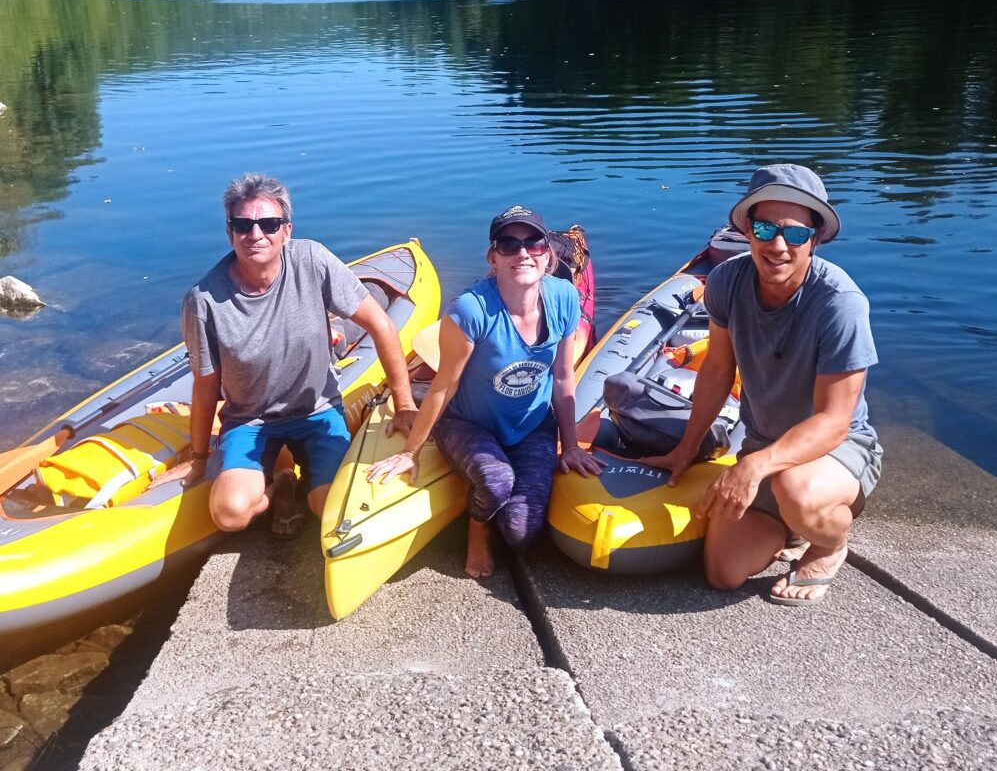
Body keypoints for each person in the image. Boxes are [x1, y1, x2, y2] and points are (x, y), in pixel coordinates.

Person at [643, 164, 881, 605]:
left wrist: (753, 467)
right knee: (723, 572)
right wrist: (687, 448)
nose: (777, 245)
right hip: (764, 444)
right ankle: (791, 522)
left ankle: (828, 543)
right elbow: (716, 369)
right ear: (747, 229)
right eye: (765, 228)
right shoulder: (726, 281)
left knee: (798, 491)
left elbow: (834, 422)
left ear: (816, 237)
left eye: (793, 234)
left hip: (836, 452)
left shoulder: (839, 303)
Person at [154, 173, 417, 538]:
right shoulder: (203, 301)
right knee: (230, 514)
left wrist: (404, 407)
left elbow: (382, 326)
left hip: (318, 411)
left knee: (331, 509)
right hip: (249, 421)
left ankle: (297, 477)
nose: (255, 234)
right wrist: (198, 458)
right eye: (242, 225)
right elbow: (206, 382)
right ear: (229, 232)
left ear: (286, 230)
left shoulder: (313, 260)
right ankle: (280, 483)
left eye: (269, 224)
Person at [365, 206, 602, 577]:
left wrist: (570, 446)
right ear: (493, 257)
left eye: (533, 243)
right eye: (509, 244)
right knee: (496, 481)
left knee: (521, 532)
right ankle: (477, 529)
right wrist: (410, 452)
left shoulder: (565, 299)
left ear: (547, 253)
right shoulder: (471, 311)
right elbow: (443, 386)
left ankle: (492, 503)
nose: (523, 253)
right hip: (467, 424)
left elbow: (562, 378)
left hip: (533, 426)